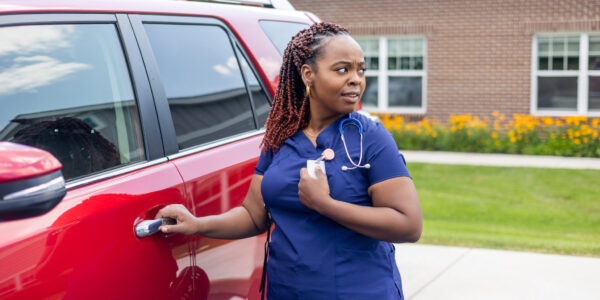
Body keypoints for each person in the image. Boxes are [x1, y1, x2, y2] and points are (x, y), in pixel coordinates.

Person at [156, 22, 422, 299]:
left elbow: (408, 224)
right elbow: (253, 215)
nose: (356, 79)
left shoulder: (371, 138)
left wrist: (325, 204)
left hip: (357, 291)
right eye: (342, 69)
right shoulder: (280, 138)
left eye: (361, 69)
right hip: (287, 290)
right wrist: (198, 224)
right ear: (308, 74)